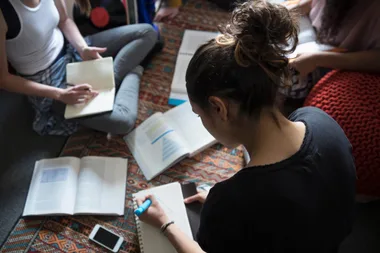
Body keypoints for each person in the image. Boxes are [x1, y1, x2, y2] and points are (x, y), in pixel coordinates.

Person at [136, 1, 356, 252]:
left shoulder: (233, 201)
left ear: (219, 108)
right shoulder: (321, 120)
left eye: (199, 115)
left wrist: (165, 223)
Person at [0, 0, 158, 136]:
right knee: (124, 122)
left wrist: (83, 48)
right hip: (52, 86)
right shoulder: (4, 12)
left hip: (71, 50)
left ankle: (110, 81)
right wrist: (60, 94)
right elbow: (4, 79)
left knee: (147, 32)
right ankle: (134, 70)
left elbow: (64, 21)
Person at [282, 0, 380, 98]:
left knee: (286, 75)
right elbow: (314, 3)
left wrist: (317, 59)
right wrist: (292, 11)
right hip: (315, 34)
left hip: (342, 58)